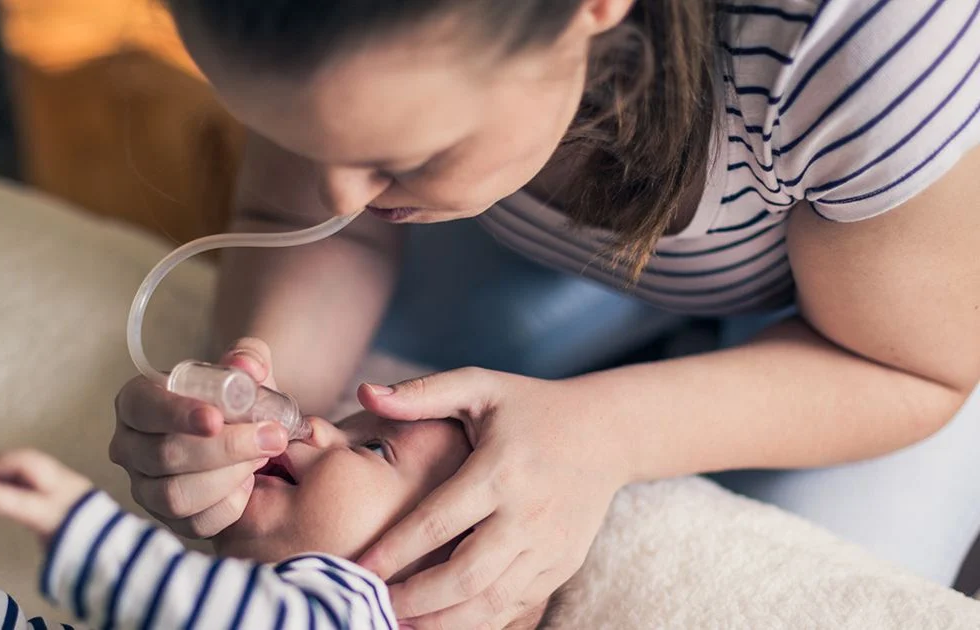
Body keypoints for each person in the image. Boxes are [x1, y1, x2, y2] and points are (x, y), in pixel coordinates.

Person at [110, 0, 980, 627]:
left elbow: (912, 365)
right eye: (307, 142)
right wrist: (247, 422)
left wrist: (606, 433)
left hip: (883, 333)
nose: (338, 194)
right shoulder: (333, 44)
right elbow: (314, 226)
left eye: (399, 155)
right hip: (526, 246)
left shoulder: (861, 33)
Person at [0, 380, 557, 629]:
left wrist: (94, 537)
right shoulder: (196, 594)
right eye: (351, 424)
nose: (317, 425)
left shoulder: (358, 607)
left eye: (372, 450)